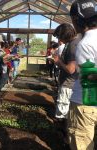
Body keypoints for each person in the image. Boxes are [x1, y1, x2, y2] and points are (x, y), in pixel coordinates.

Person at [68, 0, 97, 149]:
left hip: (85, 104)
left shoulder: (85, 43)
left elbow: (90, 81)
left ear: (76, 19)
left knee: (83, 143)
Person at [53, 23, 80, 141]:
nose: (59, 39)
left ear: (65, 34)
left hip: (68, 85)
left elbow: (70, 69)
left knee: (63, 112)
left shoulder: (73, 45)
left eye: (59, 36)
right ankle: (65, 136)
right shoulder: (72, 43)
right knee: (65, 111)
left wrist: (58, 62)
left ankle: (64, 138)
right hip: (68, 83)